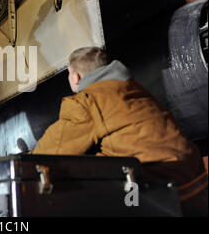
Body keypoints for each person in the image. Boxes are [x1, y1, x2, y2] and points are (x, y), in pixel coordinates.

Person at [32, 46, 207, 216]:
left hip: (158, 192)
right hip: (195, 182)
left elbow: (48, 152)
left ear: (75, 76)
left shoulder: (86, 101)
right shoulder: (134, 89)